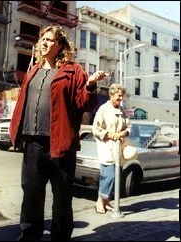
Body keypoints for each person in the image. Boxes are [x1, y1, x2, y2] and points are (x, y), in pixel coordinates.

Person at [9, 25, 109, 241]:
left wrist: (90, 85)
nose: (43, 43)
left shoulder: (74, 71)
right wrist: (16, 132)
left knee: (62, 198)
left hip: (60, 144)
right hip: (33, 143)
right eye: (42, 39)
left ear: (60, 45)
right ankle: (29, 237)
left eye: (49, 40)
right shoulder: (33, 71)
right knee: (31, 195)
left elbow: (86, 103)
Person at [92, 83, 131, 214]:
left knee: (116, 176)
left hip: (118, 148)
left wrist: (122, 133)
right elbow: (95, 128)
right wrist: (109, 135)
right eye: (119, 96)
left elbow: (128, 126)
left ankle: (106, 201)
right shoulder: (103, 109)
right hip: (106, 147)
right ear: (111, 95)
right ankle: (99, 201)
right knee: (108, 176)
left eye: (122, 96)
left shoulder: (121, 110)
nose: (121, 98)